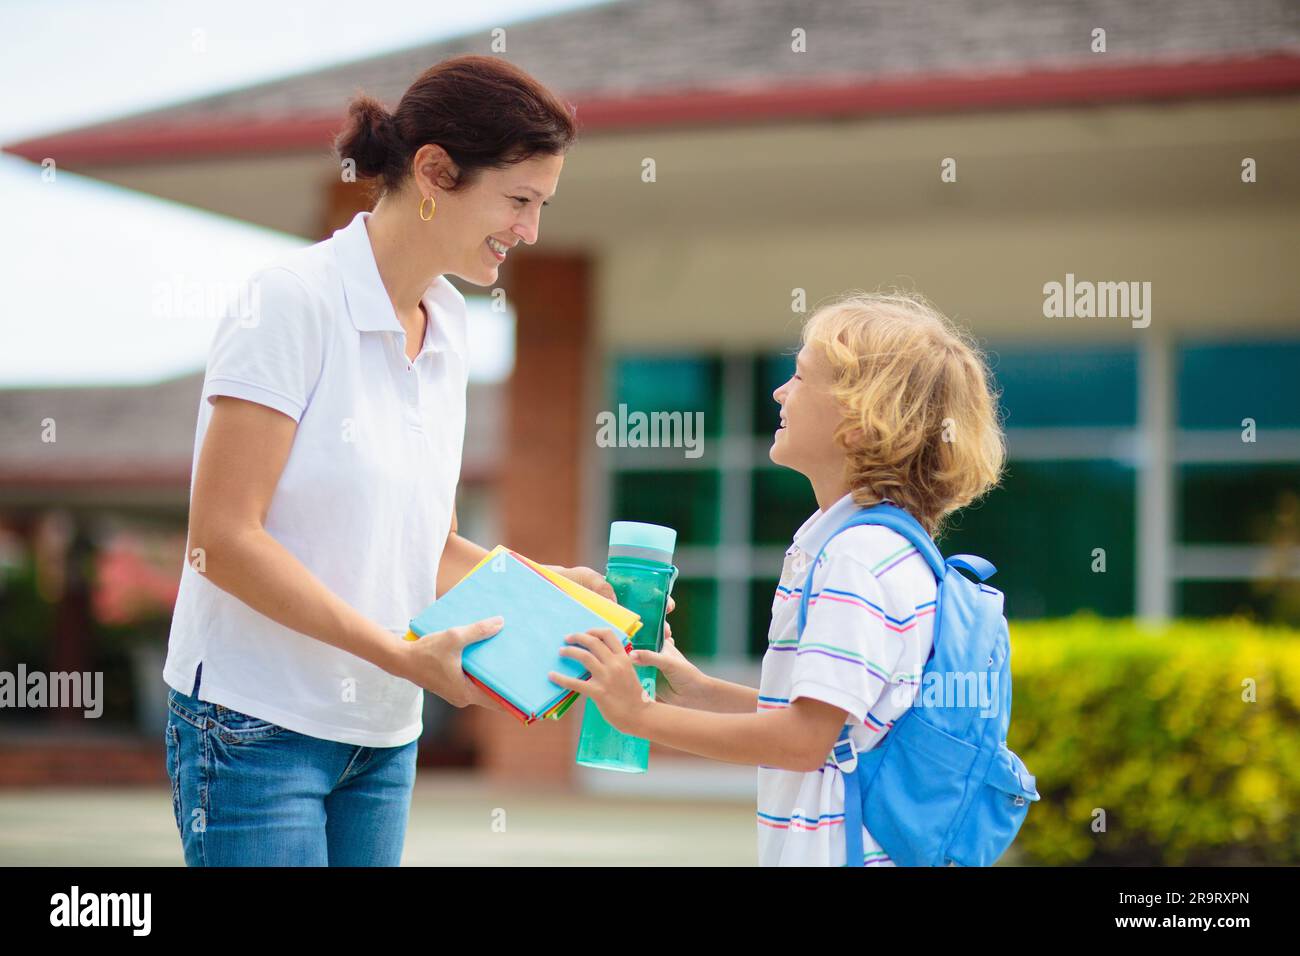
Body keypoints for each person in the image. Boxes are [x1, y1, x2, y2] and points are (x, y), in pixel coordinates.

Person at [163, 55, 616, 866]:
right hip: (254, 726)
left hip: (382, 736)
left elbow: (429, 548)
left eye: (541, 206)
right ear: (435, 171)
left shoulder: (449, 326)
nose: (531, 231)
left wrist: (548, 588)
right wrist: (401, 656)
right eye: (519, 201)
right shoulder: (289, 304)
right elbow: (223, 541)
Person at [549, 290, 1005, 866]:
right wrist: (699, 691)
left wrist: (639, 716)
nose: (779, 392)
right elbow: (831, 722)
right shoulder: (880, 547)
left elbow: (802, 741)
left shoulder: (856, 558)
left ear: (863, 421)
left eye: (800, 376)